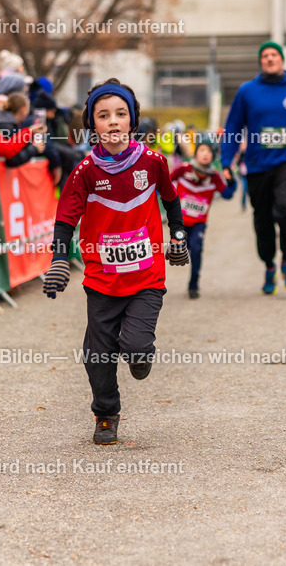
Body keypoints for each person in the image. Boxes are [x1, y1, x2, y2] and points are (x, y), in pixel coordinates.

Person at [42, 78, 189, 445]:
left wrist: (178, 237)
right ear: (92, 124)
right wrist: (60, 258)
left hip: (146, 275)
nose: (112, 121)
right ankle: (106, 414)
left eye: (120, 114)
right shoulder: (84, 170)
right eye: (103, 115)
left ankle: (140, 354)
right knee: (97, 354)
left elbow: (171, 201)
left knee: (137, 348)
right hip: (102, 279)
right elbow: (65, 219)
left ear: (132, 121)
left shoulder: (154, 162)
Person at [220, 40, 286, 295]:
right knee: (263, 219)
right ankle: (269, 265)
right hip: (257, 165)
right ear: (260, 61)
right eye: (265, 56)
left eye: (274, 55)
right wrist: (226, 161)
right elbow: (233, 127)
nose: (269, 59)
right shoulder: (247, 91)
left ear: (281, 60)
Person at [170, 138, 234, 299]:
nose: (205, 154)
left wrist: (232, 181)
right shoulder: (183, 169)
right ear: (196, 152)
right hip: (180, 222)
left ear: (213, 156)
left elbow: (227, 195)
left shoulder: (214, 177)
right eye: (202, 150)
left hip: (199, 222)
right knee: (179, 249)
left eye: (209, 151)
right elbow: (165, 183)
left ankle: (194, 285)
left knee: (197, 250)